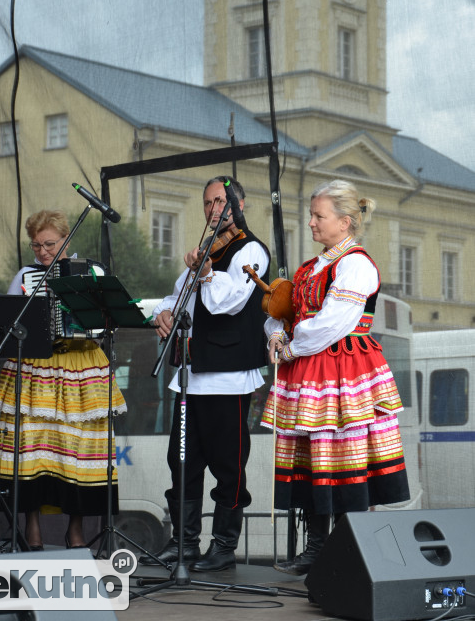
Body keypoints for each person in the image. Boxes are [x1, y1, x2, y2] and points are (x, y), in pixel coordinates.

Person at [262, 180, 410, 577]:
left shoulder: (356, 264)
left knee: (346, 460)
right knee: (314, 460)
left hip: (343, 370)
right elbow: (284, 310)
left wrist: (291, 345)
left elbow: (332, 323)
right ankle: (317, 547)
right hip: (313, 371)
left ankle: (349, 550)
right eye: (311, 214)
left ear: (345, 222)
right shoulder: (312, 267)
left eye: (318, 216)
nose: (311, 222)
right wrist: (275, 331)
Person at [140, 176, 270, 572]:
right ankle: (184, 542)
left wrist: (208, 272)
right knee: (181, 462)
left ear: (240, 204)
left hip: (228, 376)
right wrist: (163, 312)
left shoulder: (253, 250)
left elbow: (226, 304)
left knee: (228, 465)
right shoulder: (204, 253)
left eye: (222, 201)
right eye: (208, 203)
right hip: (190, 376)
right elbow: (177, 296)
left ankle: (224, 546)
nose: (214, 209)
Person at [0, 209, 127, 550]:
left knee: (78, 447)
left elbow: (108, 321)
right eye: (36, 245)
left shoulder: (92, 271)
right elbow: (11, 321)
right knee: (33, 446)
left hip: (81, 366)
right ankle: (32, 529)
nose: (42, 252)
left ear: (67, 240)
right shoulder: (26, 275)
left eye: (49, 244)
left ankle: (76, 530)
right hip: (38, 365)